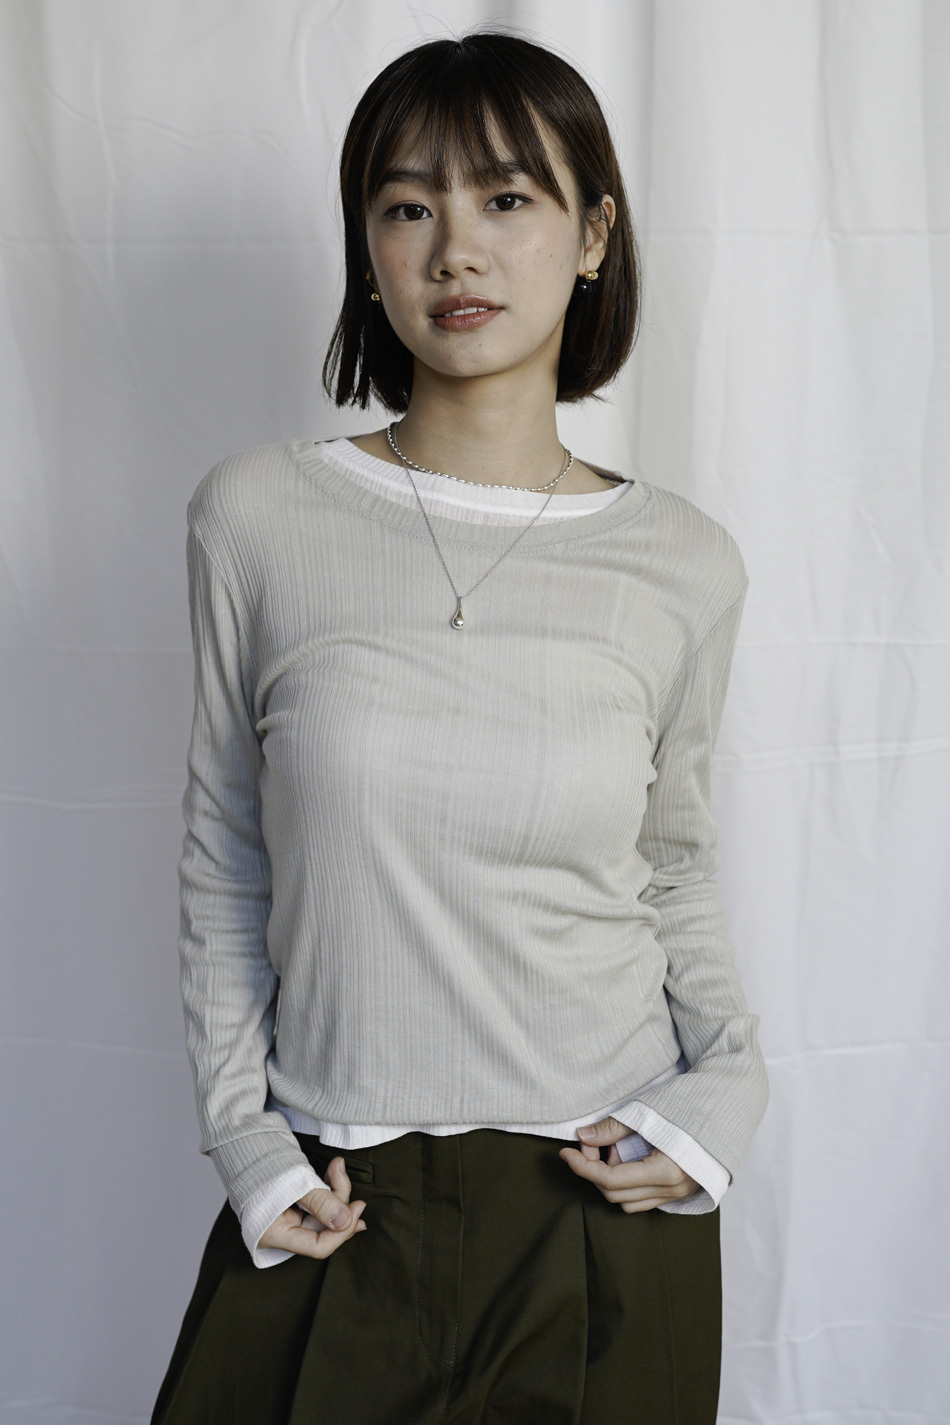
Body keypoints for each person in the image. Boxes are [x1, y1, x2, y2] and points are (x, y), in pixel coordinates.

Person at [151, 29, 768, 1425]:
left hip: (599, 1195)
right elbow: (226, 854)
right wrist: (247, 1139)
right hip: (335, 1192)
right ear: (368, 248)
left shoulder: (684, 562)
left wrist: (724, 1098)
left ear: (593, 233)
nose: (455, 251)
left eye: (506, 198)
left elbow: (673, 866)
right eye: (406, 205)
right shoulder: (256, 517)